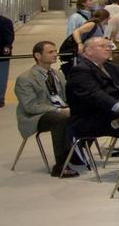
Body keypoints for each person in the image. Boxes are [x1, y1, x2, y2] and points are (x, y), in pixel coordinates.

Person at [13, 41, 75, 175]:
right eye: (50, 52)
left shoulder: (58, 74)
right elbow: (31, 106)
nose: (55, 54)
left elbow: (66, 98)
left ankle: (75, 153)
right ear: (37, 55)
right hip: (37, 116)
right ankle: (61, 166)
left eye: (55, 51)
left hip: (61, 109)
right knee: (60, 119)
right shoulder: (25, 79)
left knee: (89, 111)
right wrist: (58, 110)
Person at [65, 36, 119, 150]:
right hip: (90, 118)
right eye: (102, 46)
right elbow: (95, 95)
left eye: (109, 46)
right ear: (88, 50)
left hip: (112, 113)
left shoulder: (111, 67)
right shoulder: (80, 70)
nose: (108, 49)